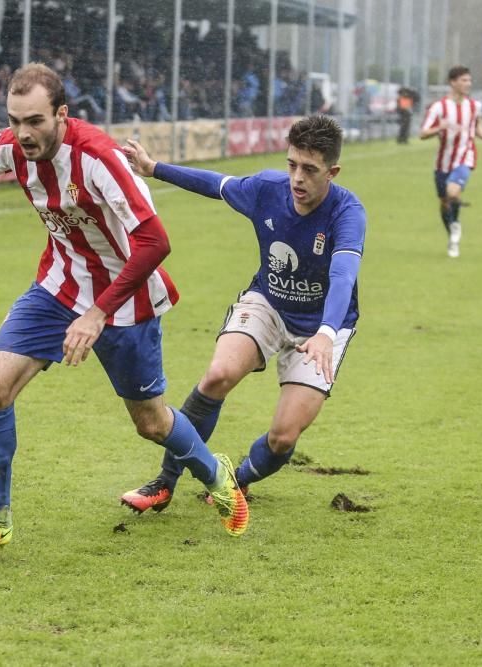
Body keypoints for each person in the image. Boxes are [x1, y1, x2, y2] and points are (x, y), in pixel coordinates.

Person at [0, 63, 249, 555]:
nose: (23, 133)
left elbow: (155, 241)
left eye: (35, 121)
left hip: (127, 300)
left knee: (150, 423)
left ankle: (215, 474)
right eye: (15, 120)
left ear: (62, 114)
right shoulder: (11, 148)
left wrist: (98, 313)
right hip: (58, 287)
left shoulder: (99, 159)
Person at [119, 115, 365, 514]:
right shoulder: (267, 189)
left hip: (324, 327)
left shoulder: (347, 212)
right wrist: (153, 169)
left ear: (332, 172)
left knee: (283, 438)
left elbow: (343, 275)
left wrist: (324, 332)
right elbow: (215, 184)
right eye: (292, 165)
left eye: (310, 169)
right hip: (267, 302)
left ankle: (238, 481)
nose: (297, 178)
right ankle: (164, 482)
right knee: (217, 375)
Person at [419, 66, 482, 258]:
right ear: (453, 82)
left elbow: (476, 127)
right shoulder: (439, 107)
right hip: (442, 162)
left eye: (469, 80)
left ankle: (455, 228)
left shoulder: (474, 106)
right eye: (464, 80)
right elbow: (423, 133)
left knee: (453, 191)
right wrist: (440, 127)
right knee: (444, 202)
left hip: (465, 156)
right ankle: (453, 231)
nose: (468, 84)